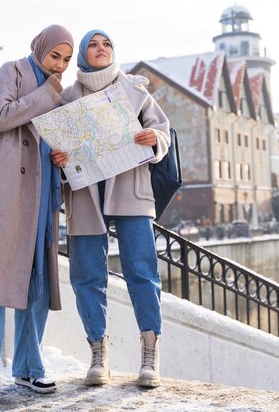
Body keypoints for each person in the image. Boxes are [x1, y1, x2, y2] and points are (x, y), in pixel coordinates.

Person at [0, 25, 74, 406]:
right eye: (55, 55)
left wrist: (62, 153)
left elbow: (57, 136)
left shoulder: (59, 93)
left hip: (42, 196)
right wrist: (48, 93)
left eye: (67, 59)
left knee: (36, 285)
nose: (60, 65)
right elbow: (2, 117)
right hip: (6, 195)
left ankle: (27, 367)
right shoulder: (13, 71)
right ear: (39, 49)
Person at [52, 29, 170, 388]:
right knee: (86, 275)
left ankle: (150, 354)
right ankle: (98, 355)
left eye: (106, 44)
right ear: (84, 55)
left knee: (141, 271)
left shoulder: (135, 91)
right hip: (85, 193)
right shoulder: (65, 99)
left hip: (130, 190)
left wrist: (155, 140)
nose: (100, 49)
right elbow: (55, 145)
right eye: (93, 44)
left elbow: (162, 130)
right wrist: (57, 158)